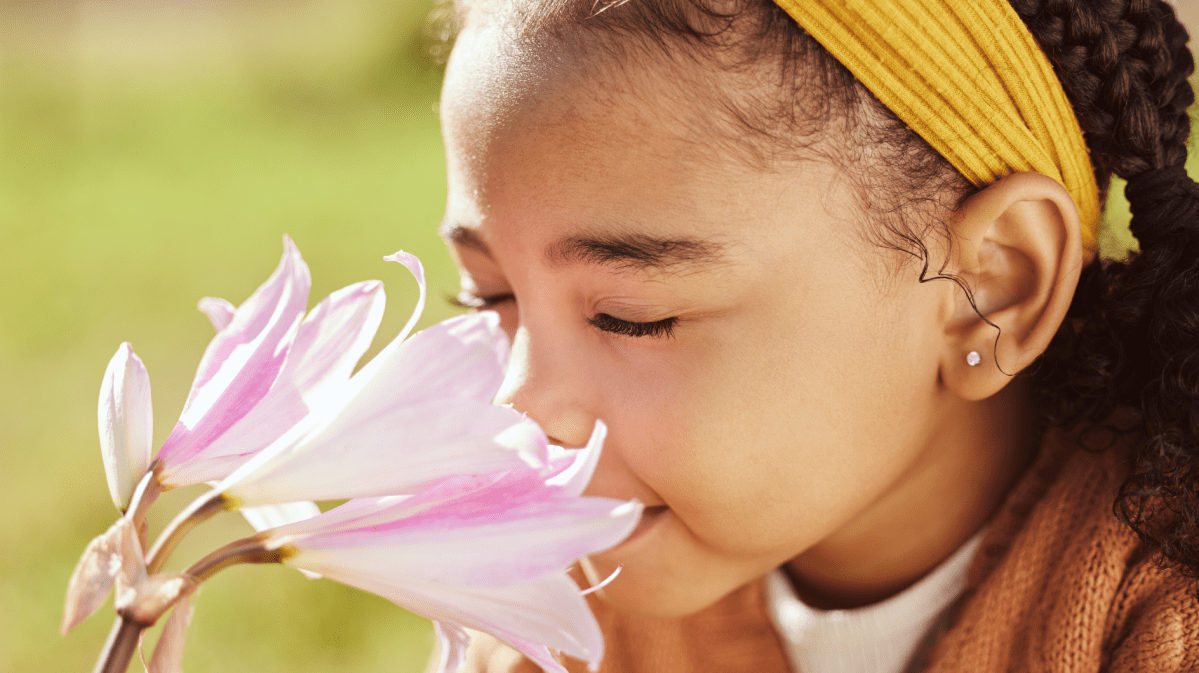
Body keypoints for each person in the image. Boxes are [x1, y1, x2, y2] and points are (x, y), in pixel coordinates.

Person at [430, 0, 1199, 670]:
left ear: (991, 288)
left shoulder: (1163, 618)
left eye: (633, 315)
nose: (518, 404)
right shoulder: (560, 619)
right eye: (489, 293)